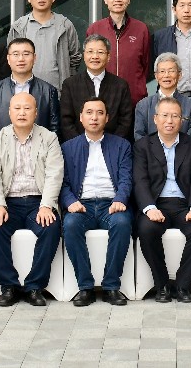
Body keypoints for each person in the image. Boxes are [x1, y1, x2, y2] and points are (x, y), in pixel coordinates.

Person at [0, 92, 66, 307]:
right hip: (8, 202)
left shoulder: (49, 138)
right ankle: (8, 286)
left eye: (27, 108)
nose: (22, 113)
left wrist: (47, 205)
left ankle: (34, 286)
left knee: (51, 227)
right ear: (9, 112)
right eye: (17, 108)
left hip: (38, 202)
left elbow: (54, 174)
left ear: (36, 113)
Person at [132, 97, 191, 303]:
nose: (170, 120)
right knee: (146, 229)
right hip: (156, 204)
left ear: (182, 120)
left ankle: (183, 286)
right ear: (155, 119)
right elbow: (140, 181)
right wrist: (149, 208)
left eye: (175, 116)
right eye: (165, 115)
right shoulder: (142, 146)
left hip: (185, 204)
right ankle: (162, 285)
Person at [59, 98, 134, 306]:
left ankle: (111, 286)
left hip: (111, 204)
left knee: (122, 223)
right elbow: (62, 182)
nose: (94, 117)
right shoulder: (67, 148)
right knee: (70, 224)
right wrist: (70, 201)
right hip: (81, 204)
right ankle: (85, 287)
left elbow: (127, 178)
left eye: (100, 113)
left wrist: (120, 199)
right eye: (89, 113)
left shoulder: (122, 145)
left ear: (107, 118)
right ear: (81, 118)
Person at [86, 0, 153, 106]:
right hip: (102, 101)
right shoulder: (95, 29)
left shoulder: (141, 29)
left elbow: (146, 64)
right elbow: (90, 64)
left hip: (134, 100)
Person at [9, 0, 82, 89]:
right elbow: (11, 58)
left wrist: (67, 82)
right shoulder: (19, 27)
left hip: (58, 92)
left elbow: (75, 57)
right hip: (25, 91)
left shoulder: (65, 25)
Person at [60, 35, 136, 140]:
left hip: (113, 146)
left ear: (108, 56)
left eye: (100, 52)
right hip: (78, 145)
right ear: (84, 55)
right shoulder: (70, 84)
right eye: (90, 52)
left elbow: (125, 121)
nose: (95, 56)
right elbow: (66, 121)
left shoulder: (121, 85)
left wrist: (112, 144)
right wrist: (81, 144)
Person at [0, 38, 61, 140]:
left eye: (26, 54)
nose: (21, 59)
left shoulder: (48, 91)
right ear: (8, 58)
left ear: (34, 58)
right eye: (16, 54)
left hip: (39, 148)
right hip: (3, 148)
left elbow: (55, 129)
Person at [133, 53, 191, 140]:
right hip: (150, 149)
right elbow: (139, 137)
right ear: (156, 76)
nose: (166, 75)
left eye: (171, 71)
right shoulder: (143, 105)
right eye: (162, 71)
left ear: (179, 75)